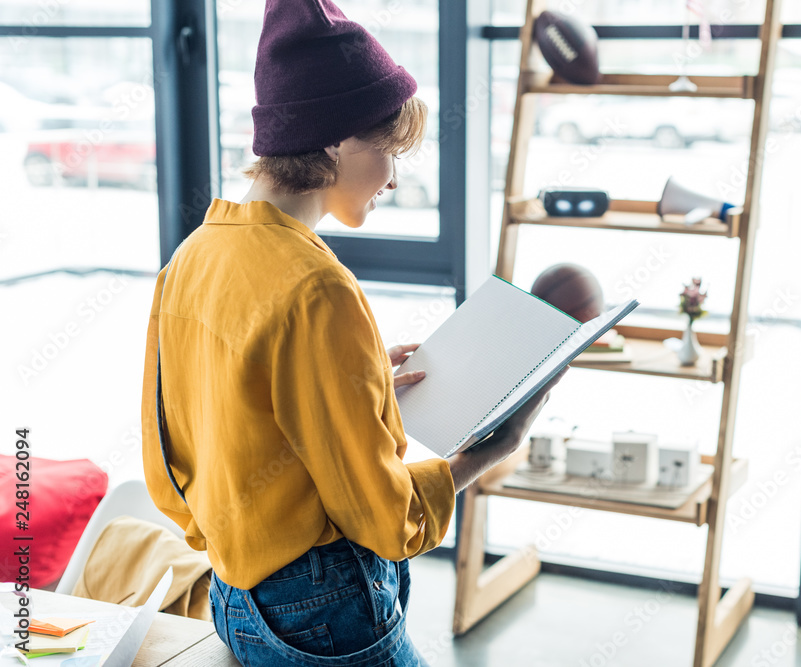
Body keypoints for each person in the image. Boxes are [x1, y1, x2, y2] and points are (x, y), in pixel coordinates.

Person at [139, 1, 565, 665]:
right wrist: (491, 449)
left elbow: (170, 463)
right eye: (389, 151)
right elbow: (381, 518)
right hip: (323, 609)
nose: (395, 177)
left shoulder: (190, 259)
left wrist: (355, 398)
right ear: (335, 137)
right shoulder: (318, 287)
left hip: (233, 597)